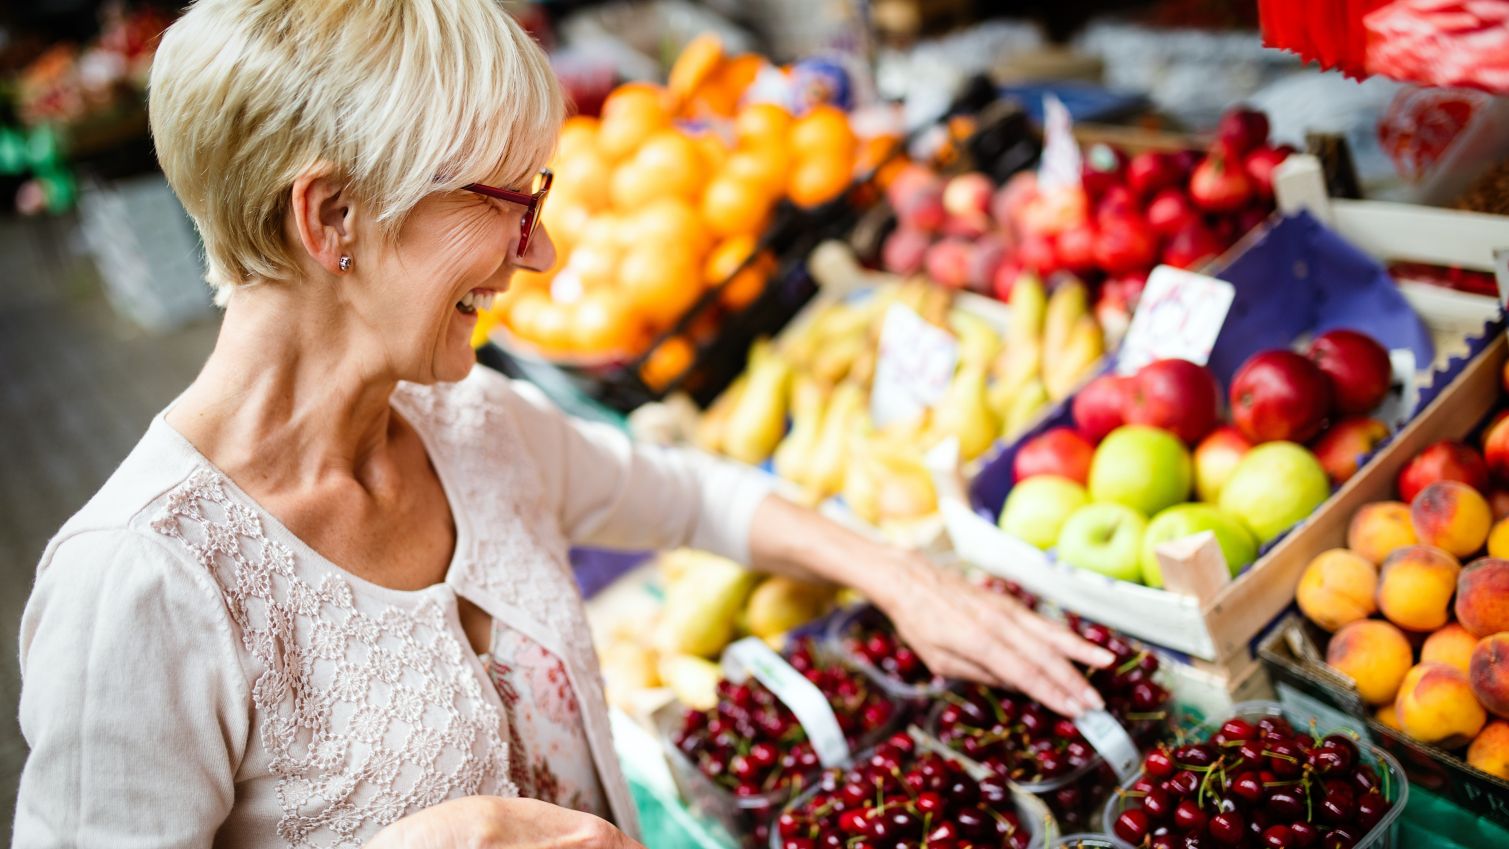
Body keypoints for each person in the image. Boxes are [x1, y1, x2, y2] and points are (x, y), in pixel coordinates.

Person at [13, 1, 1112, 846]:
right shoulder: (141, 586)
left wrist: (903, 580)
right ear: (332, 214)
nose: (542, 254)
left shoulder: (472, 425)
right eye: (507, 204)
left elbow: (697, 494)